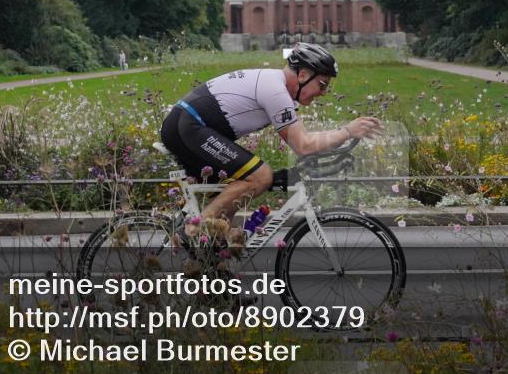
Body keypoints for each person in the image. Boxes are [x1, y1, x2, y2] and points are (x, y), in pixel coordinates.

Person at [160, 43, 382, 238]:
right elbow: (304, 146)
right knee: (261, 176)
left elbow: (305, 140)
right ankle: (193, 229)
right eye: (323, 84)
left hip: (187, 126)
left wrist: (344, 136)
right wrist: (347, 131)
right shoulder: (275, 90)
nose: (324, 92)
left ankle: (211, 259)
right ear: (303, 75)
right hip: (188, 126)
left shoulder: (279, 89)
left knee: (230, 206)